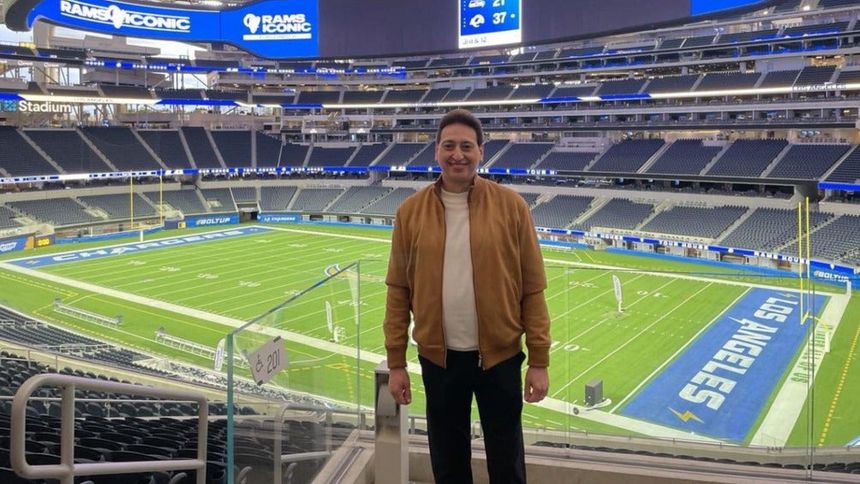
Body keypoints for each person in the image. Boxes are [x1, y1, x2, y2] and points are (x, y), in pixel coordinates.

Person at [383, 108, 551, 483]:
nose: (457, 154)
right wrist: (396, 362)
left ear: (480, 152)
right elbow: (398, 290)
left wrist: (539, 359)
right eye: (449, 146)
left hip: (500, 359)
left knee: (507, 462)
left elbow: (532, 287)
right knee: (448, 464)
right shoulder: (410, 212)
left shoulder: (512, 207)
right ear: (436, 151)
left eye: (466, 146)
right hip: (439, 361)